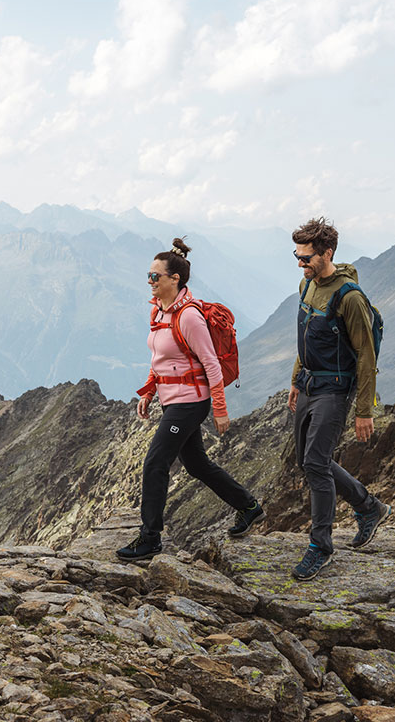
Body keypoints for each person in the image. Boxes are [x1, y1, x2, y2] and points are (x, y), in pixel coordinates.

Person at [116, 238, 264, 561]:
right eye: (149, 275)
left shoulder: (189, 316)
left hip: (191, 402)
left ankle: (149, 537)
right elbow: (162, 358)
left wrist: (220, 410)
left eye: (155, 276)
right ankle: (249, 506)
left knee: (156, 462)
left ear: (174, 280)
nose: (150, 281)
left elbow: (210, 363)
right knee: (197, 464)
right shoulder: (159, 312)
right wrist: (149, 391)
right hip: (172, 400)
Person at [287, 217, 391, 580]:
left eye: (306, 257)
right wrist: (296, 379)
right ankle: (369, 508)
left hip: (335, 389)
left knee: (316, 463)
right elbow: (305, 337)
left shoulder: (350, 297)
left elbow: (365, 355)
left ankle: (321, 546)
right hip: (309, 385)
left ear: (327, 253)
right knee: (308, 460)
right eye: (297, 257)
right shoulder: (306, 285)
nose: (301, 264)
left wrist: (365, 410)